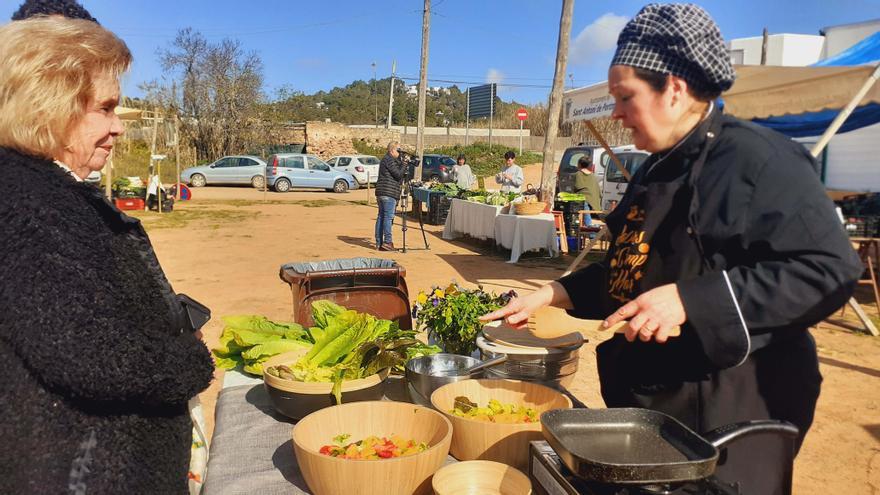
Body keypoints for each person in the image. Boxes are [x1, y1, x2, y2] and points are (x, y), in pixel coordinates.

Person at [482, 4, 863, 494]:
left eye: (626, 97)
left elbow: (829, 270)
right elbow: (630, 273)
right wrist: (554, 293)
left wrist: (691, 300)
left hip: (735, 407)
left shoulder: (760, 159)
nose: (616, 113)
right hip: (656, 405)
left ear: (675, 89)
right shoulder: (653, 170)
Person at [0, 17, 214, 494]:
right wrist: (191, 360)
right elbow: (97, 357)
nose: (118, 127)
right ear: (47, 103)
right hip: (87, 474)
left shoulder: (46, 192)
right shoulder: (23, 202)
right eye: (106, 108)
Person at [374, 140, 406, 251]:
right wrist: (404, 164)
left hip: (383, 192)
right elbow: (398, 175)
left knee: (381, 217)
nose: (400, 153)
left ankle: (379, 242)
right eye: (398, 150)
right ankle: (387, 242)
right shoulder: (389, 160)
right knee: (388, 217)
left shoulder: (387, 159)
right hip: (388, 193)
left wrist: (402, 162)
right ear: (392, 150)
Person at [573, 155, 601, 226]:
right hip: (595, 201)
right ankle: (592, 225)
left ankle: (589, 226)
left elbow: (577, 186)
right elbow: (598, 191)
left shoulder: (578, 174)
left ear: (579, 164)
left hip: (585, 202)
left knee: (583, 201)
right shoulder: (593, 175)